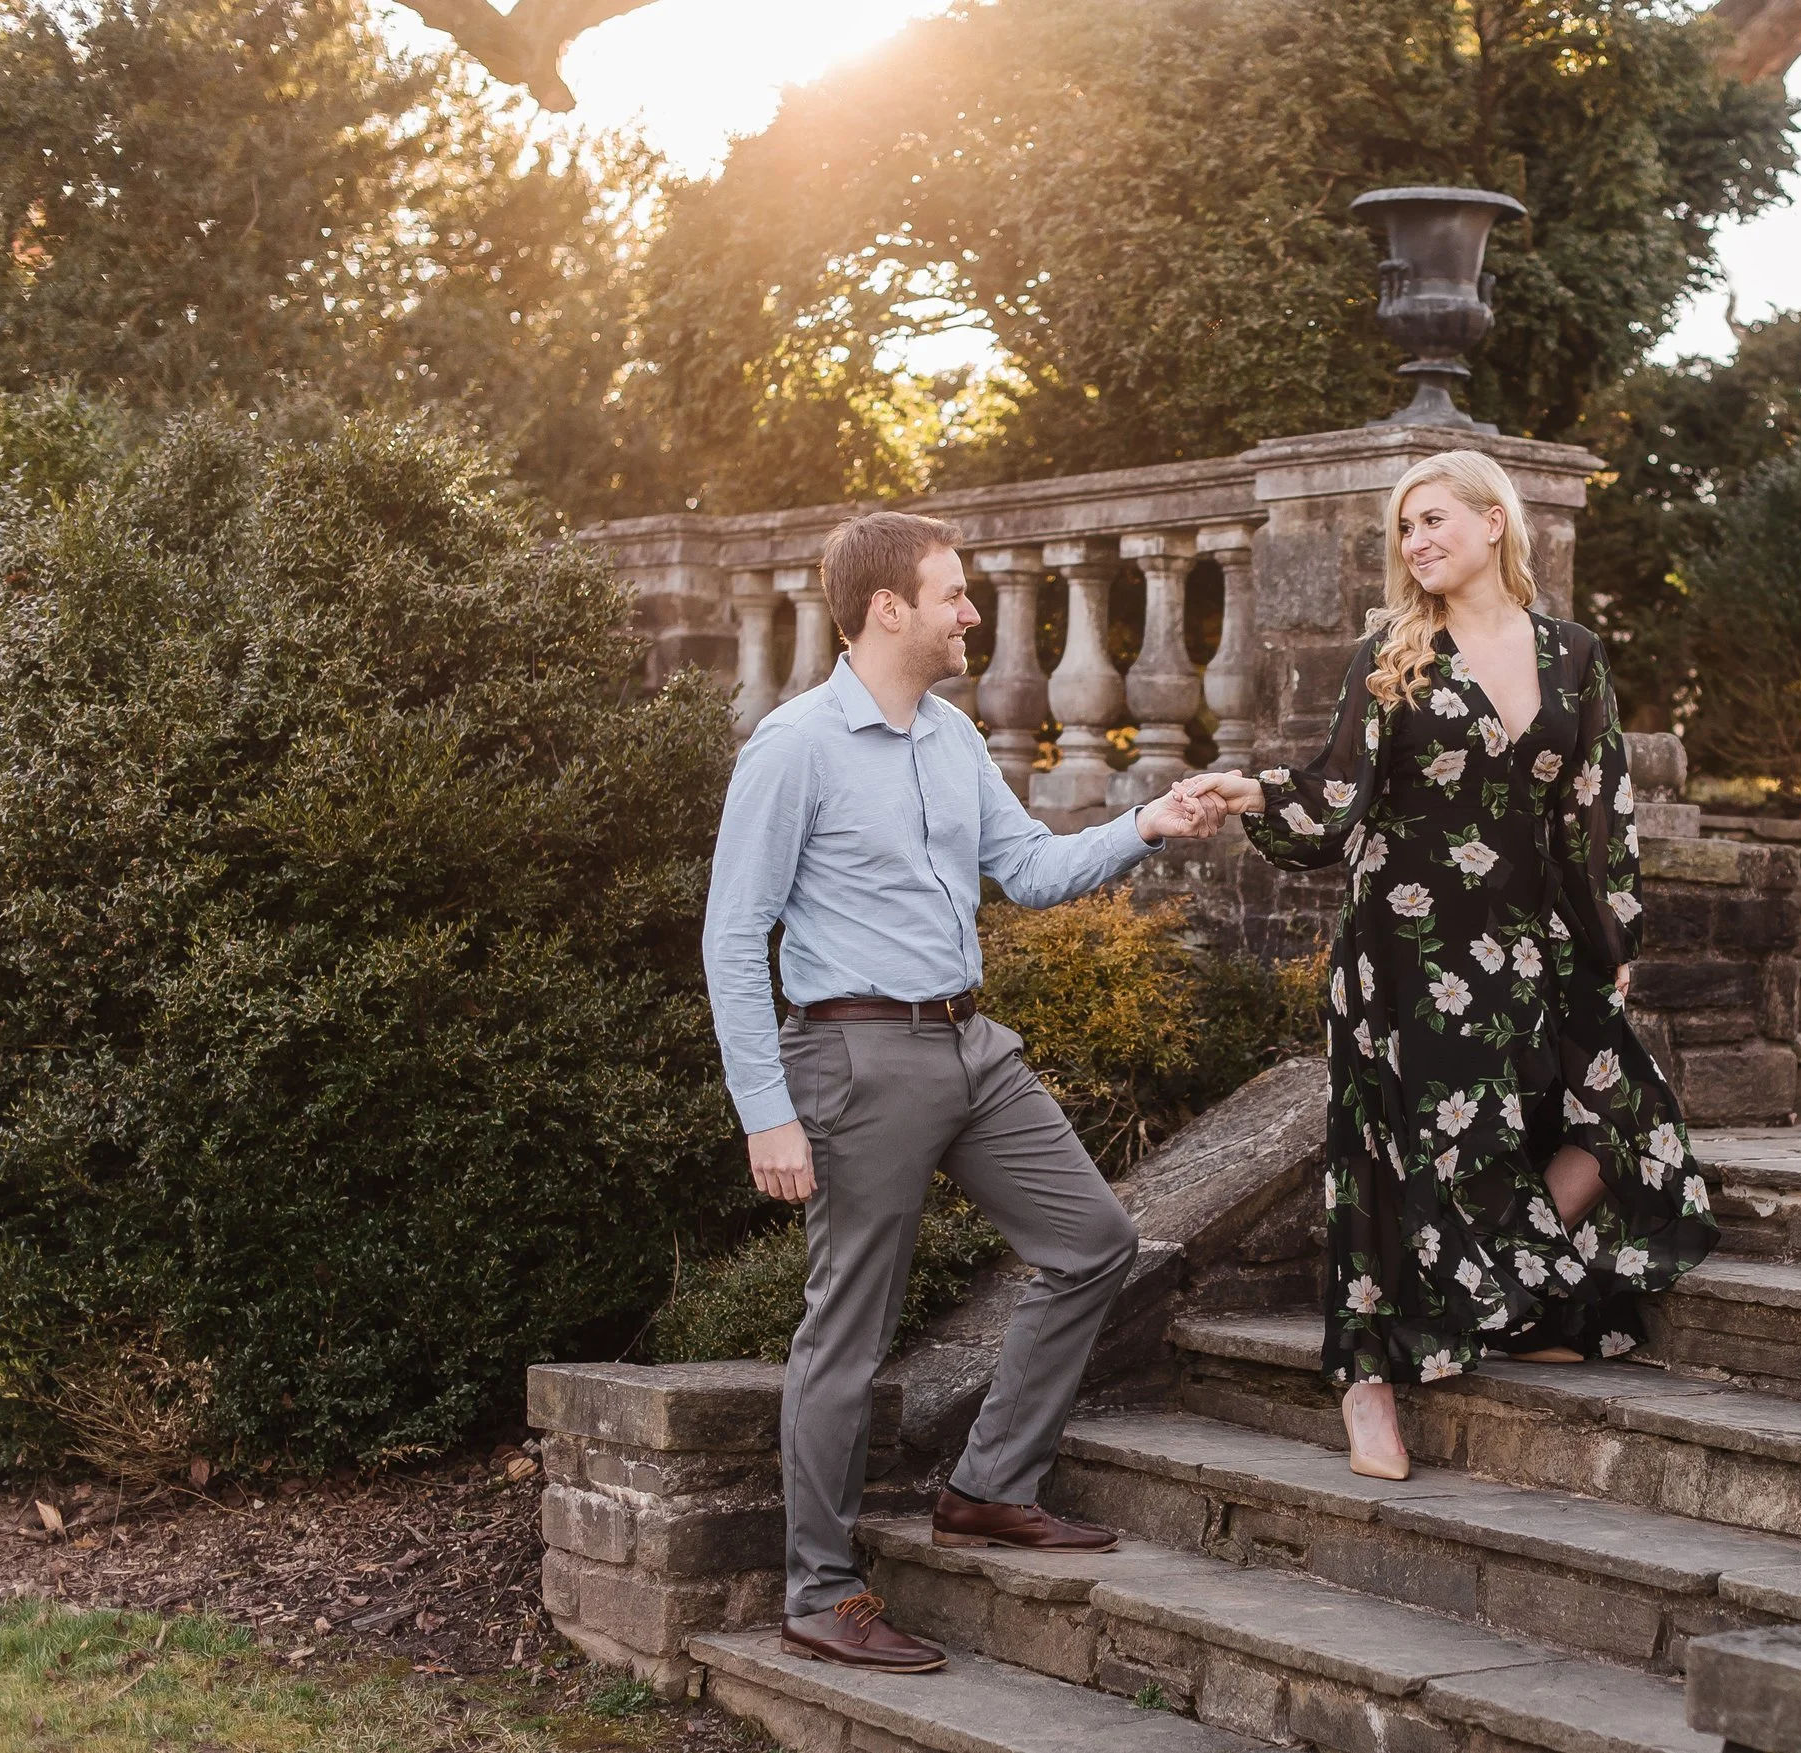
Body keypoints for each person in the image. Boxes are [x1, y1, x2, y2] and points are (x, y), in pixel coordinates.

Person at [702, 510, 1225, 1673]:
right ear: (887, 608)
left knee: (1093, 1242)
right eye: (953, 593)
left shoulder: (950, 737)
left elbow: (1028, 870)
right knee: (850, 1329)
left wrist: (1147, 823)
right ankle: (820, 1592)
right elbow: (733, 935)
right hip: (853, 1056)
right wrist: (765, 1111)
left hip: (969, 1044)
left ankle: (988, 1485)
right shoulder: (794, 746)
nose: (972, 613)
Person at [1182, 450, 1717, 1481]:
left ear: (1493, 521)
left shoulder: (1572, 654)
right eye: (1405, 527)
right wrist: (1253, 793)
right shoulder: (1396, 652)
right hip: (1405, 938)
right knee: (1393, 1152)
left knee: (1622, 1113)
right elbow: (1338, 789)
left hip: (1527, 935)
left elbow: (1597, 809)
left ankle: (1509, 1291)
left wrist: (1611, 943)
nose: (1416, 541)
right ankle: (1368, 1384)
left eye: (1433, 520)